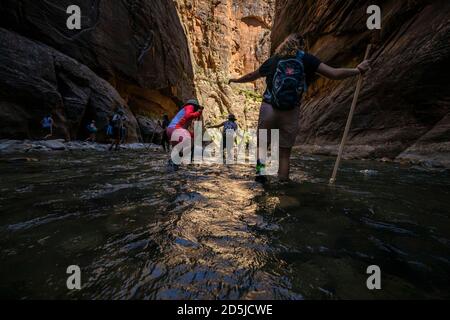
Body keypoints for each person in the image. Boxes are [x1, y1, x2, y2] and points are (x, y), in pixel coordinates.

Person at [228, 33, 371, 183]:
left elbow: (252, 75)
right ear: (302, 46)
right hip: (290, 111)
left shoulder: (274, 60)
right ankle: (283, 183)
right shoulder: (307, 59)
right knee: (284, 155)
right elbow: (333, 73)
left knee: (262, 146)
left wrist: (236, 80)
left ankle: (260, 176)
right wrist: (357, 70)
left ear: (284, 44)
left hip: (268, 108)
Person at [166, 99, 204, 170]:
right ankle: (174, 161)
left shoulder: (184, 110)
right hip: (176, 129)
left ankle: (173, 165)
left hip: (171, 130)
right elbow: (188, 115)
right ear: (195, 106)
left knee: (179, 150)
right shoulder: (190, 106)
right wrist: (198, 113)